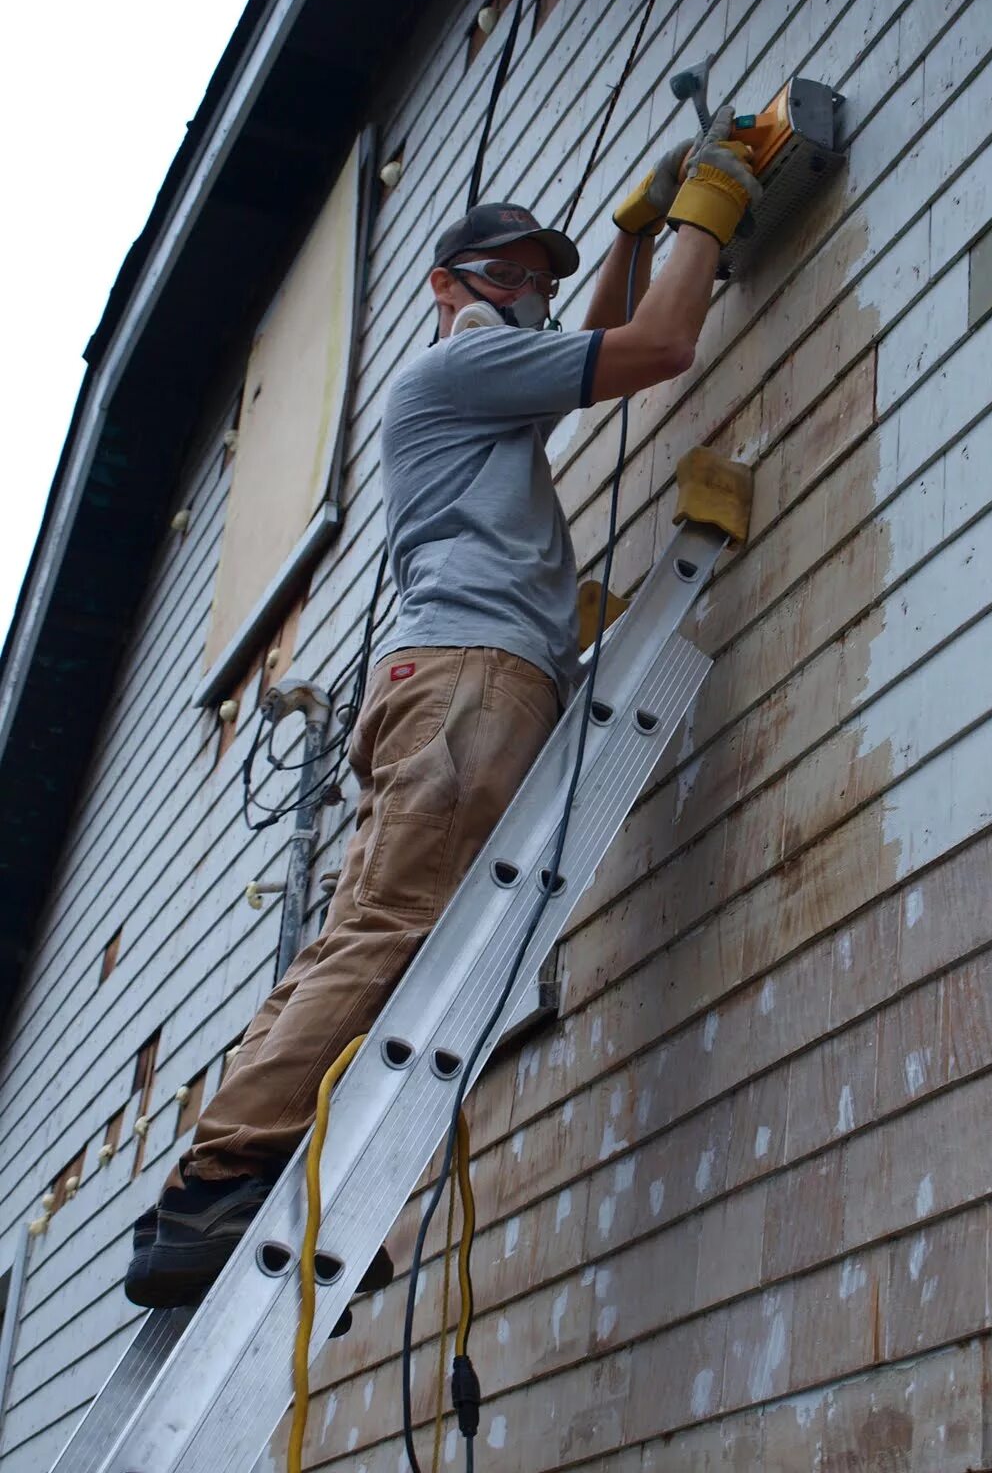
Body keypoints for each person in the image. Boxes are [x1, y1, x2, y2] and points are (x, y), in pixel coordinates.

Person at [124, 106, 760, 1310]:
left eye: (541, 278)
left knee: (369, 930)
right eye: (505, 272)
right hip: (468, 680)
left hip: (448, 678)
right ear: (444, 283)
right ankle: (216, 1181)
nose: (525, 293)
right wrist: (709, 199)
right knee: (393, 930)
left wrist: (629, 236)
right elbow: (660, 344)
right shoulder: (460, 361)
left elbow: (595, 343)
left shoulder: (485, 383)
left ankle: (234, 1179)